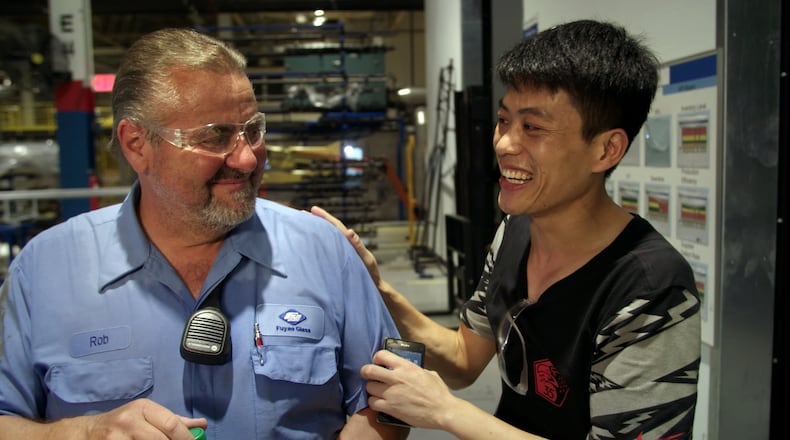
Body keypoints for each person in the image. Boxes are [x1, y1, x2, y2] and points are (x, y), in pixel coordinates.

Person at [0, 28, 407, 439]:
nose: (247, 158)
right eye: (216, 136)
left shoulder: (324, 250)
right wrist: (83, 432)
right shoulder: (43, 270)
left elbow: (387, 406)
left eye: (253, 129)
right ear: (136, 144)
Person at [312, 19, 701, 440]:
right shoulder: (515, 232)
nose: (503, 144)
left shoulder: (652, 288)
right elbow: (463, 359)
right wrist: (378, 288)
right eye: (504, 121)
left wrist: (445, 412)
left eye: (532, 127)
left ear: (606, 149)